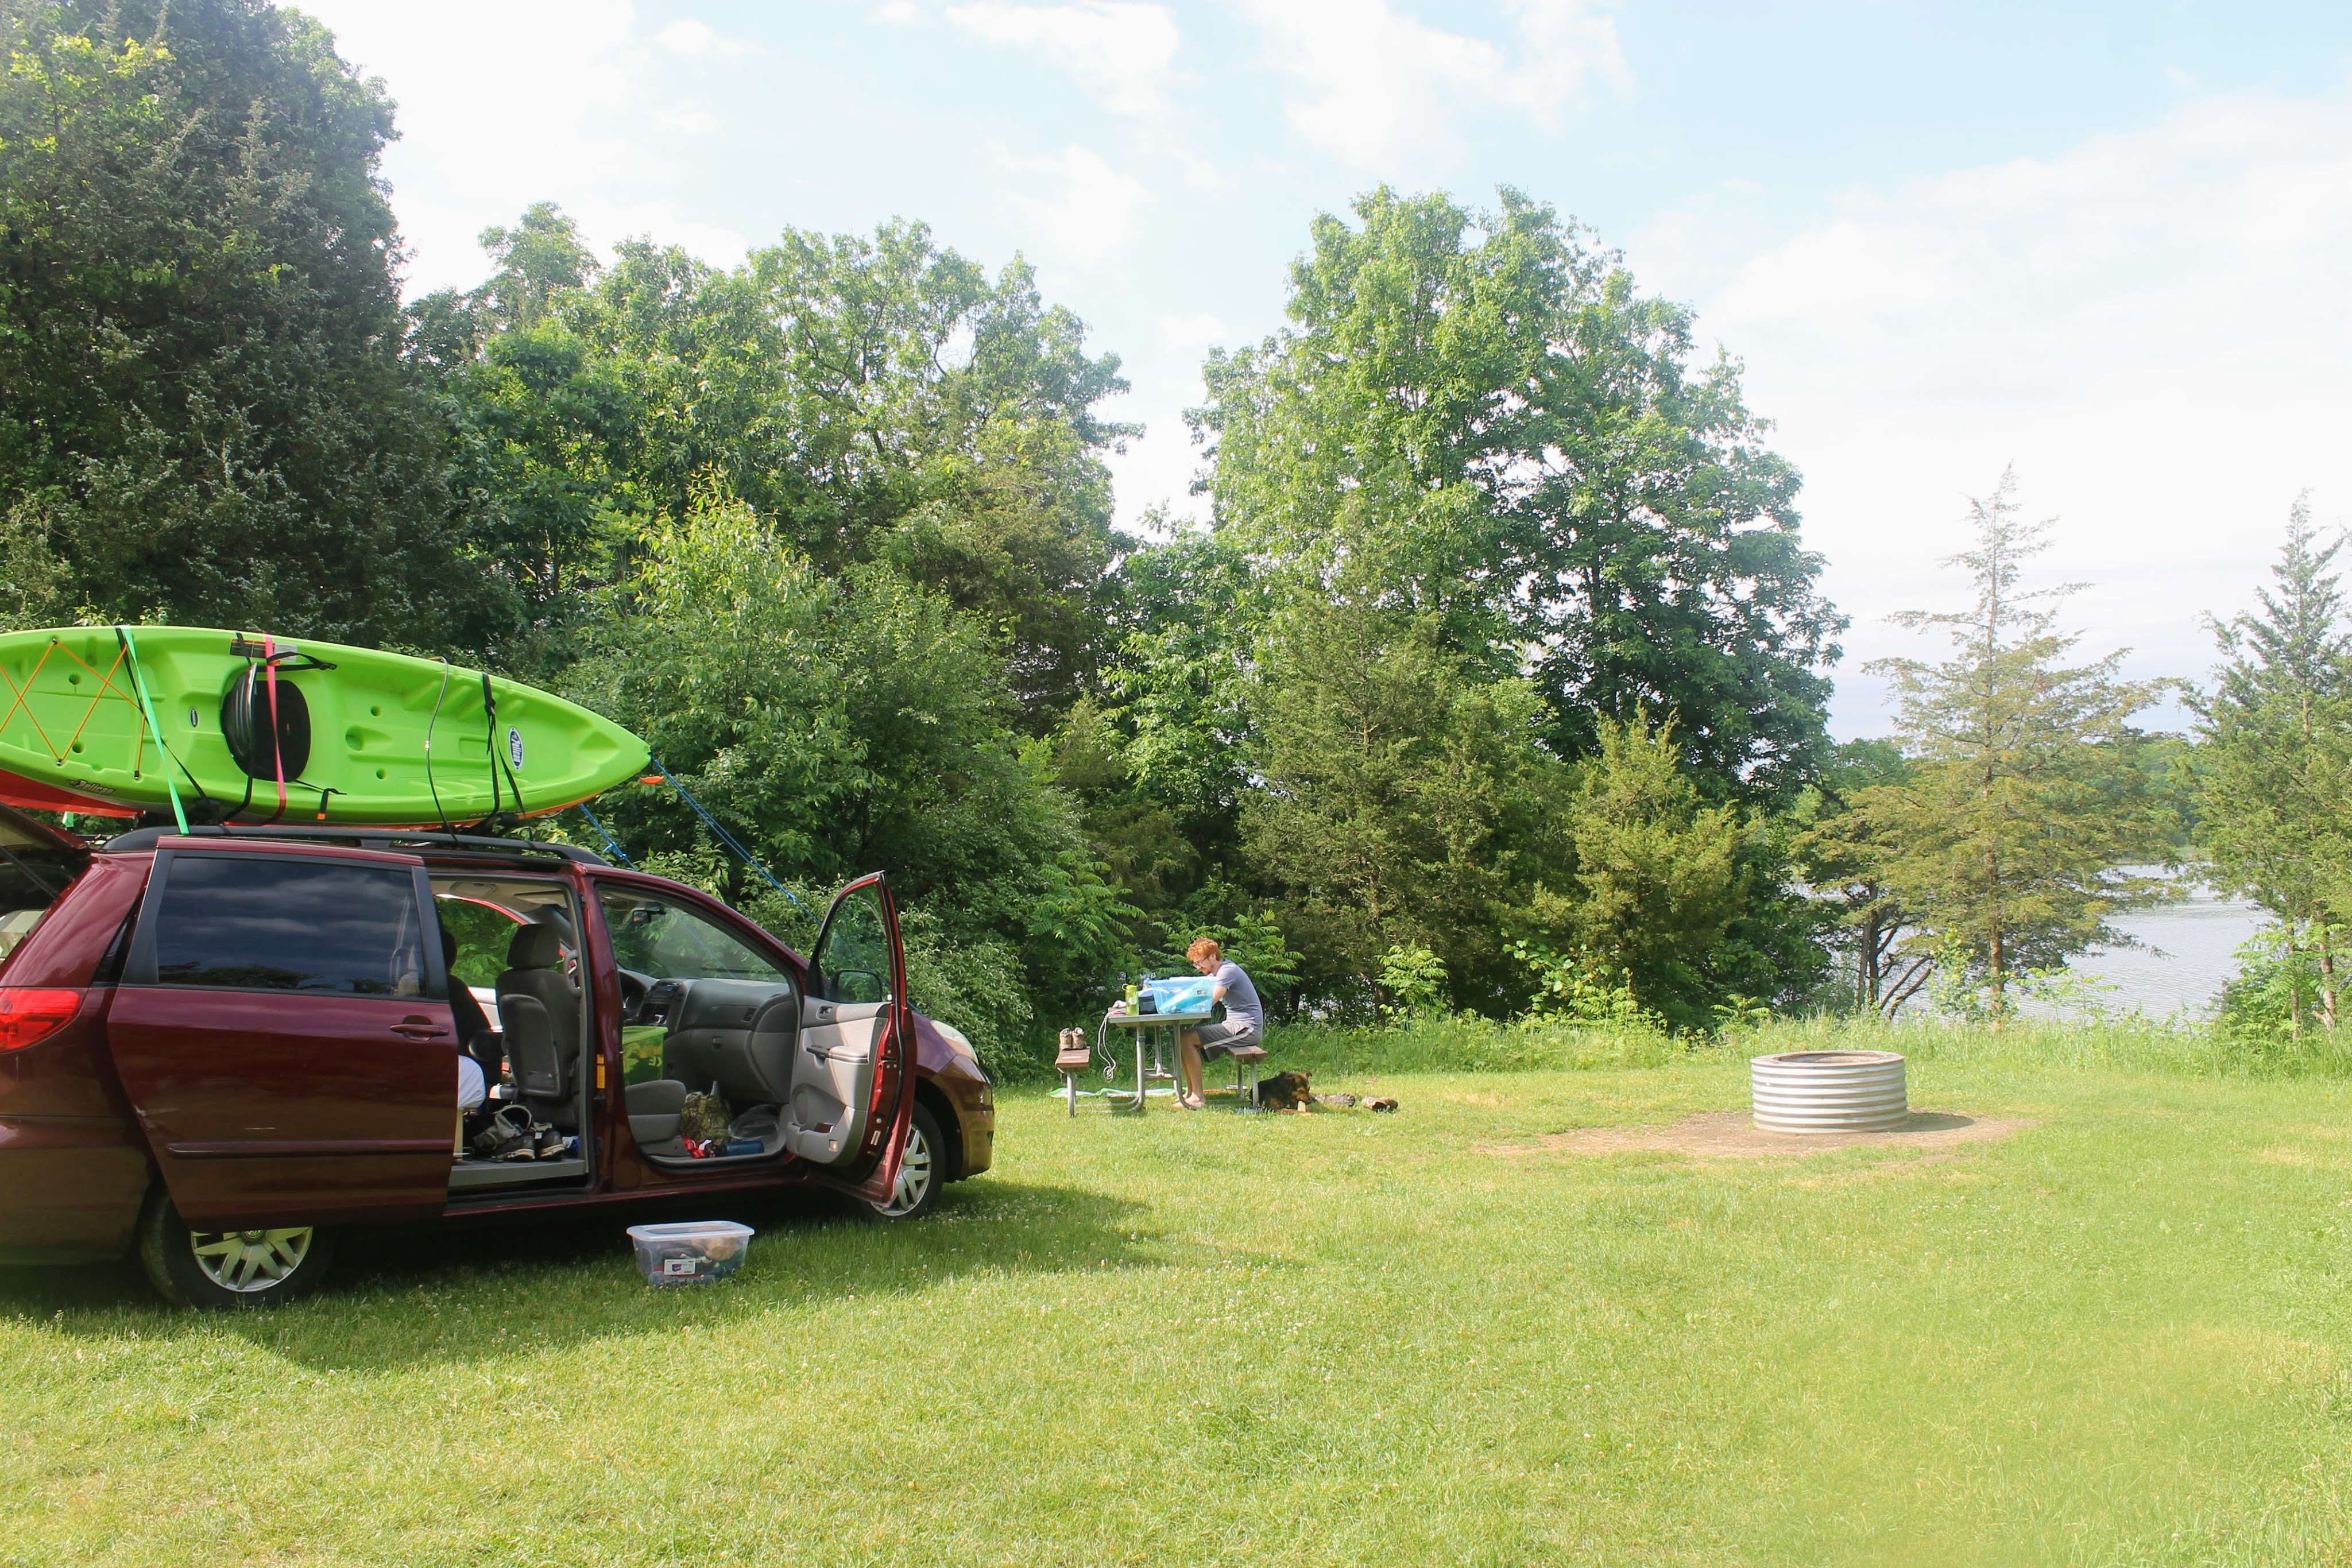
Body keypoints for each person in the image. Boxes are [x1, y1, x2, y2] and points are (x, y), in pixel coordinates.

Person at [1176, 936, 1263, 1110]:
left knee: (1186, 1038)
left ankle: (1198, 1097)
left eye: (1200, 962)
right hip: (1235, 1025)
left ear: (1213, 957)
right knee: (1182, 1037)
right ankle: (1190, 1093)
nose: (1198, 967)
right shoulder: (1214, 975)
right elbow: (1198, 994)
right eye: (1195, 964)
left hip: (1247, 1028)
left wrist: (1182, 1005)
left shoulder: (1227, 971)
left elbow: (1209, 1001)